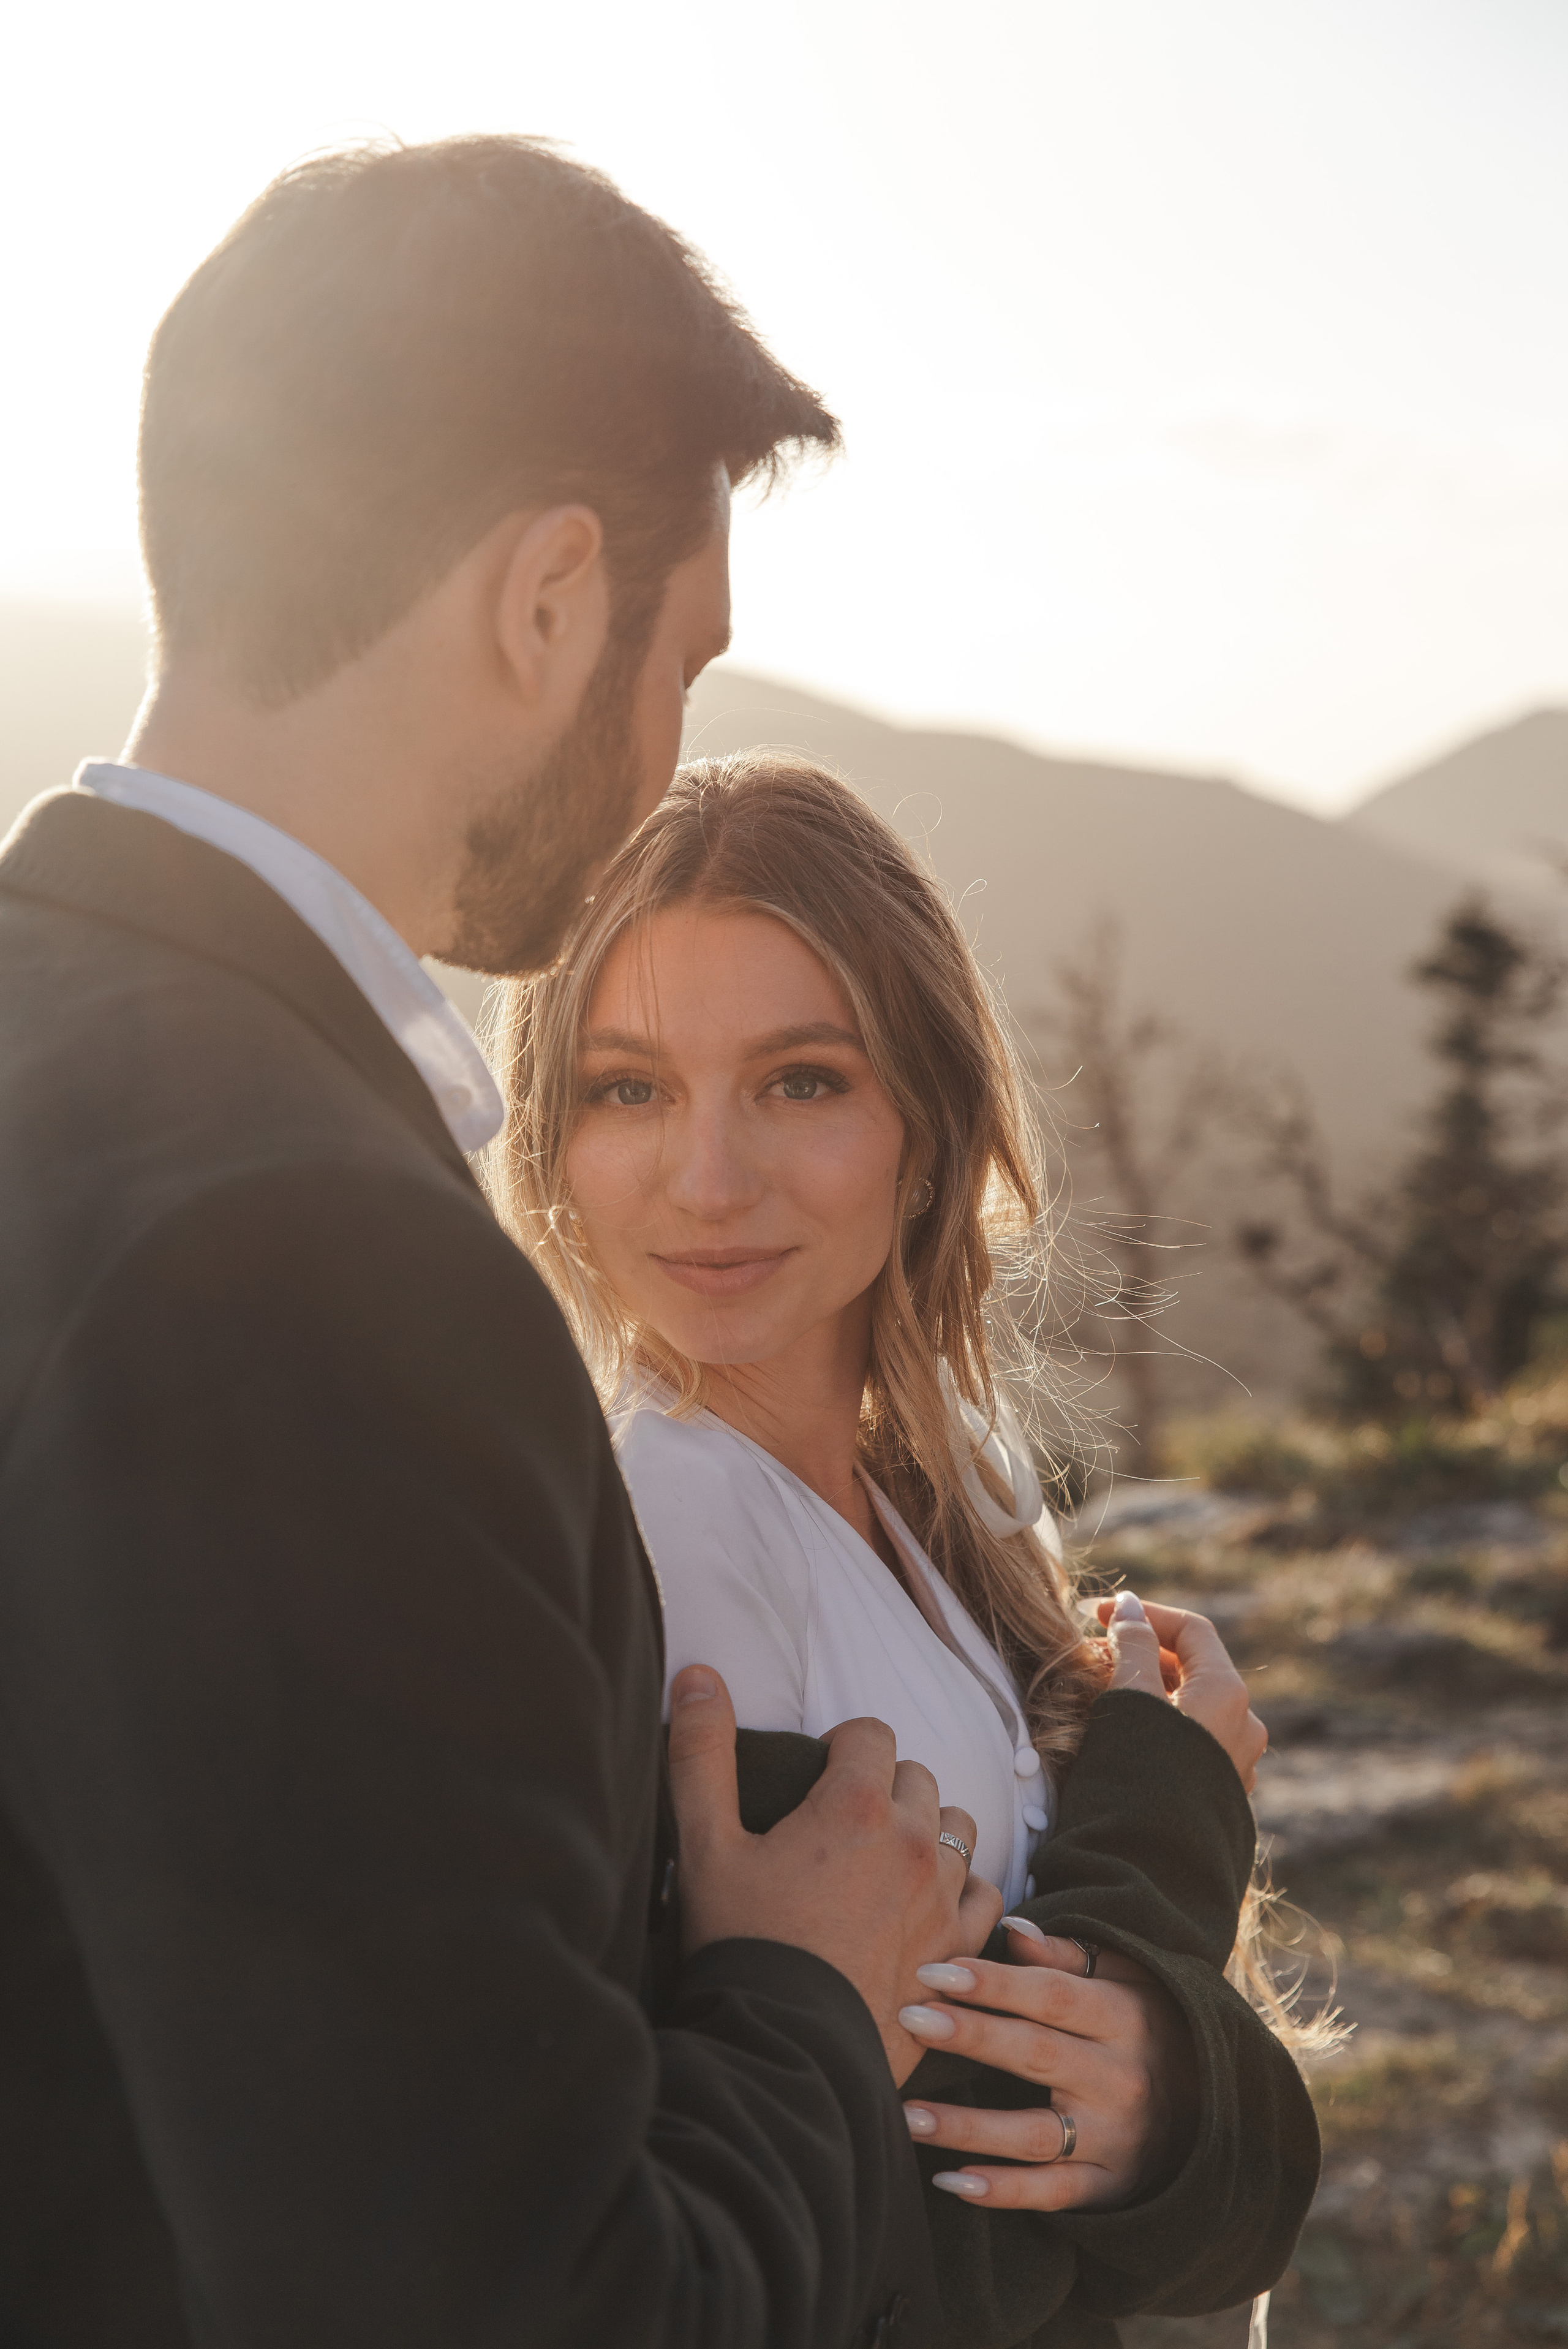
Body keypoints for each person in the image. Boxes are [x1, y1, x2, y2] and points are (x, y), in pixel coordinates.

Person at [0, 137, 1000, 2349]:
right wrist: (802, 2002)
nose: (668, 755)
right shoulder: (303, 1259)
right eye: (678, 658)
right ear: (548, 598)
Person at [492, 752, 1323, 2345]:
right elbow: (936, 2208)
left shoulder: (944, 1498)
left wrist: (1163, 2038)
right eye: (630, 1087)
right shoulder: (675, 1542)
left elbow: (1130, 2168)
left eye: (801, 1078)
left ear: (924, 1129)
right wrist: (1167, 1815)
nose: (710, 1178)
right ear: (551, 1144)